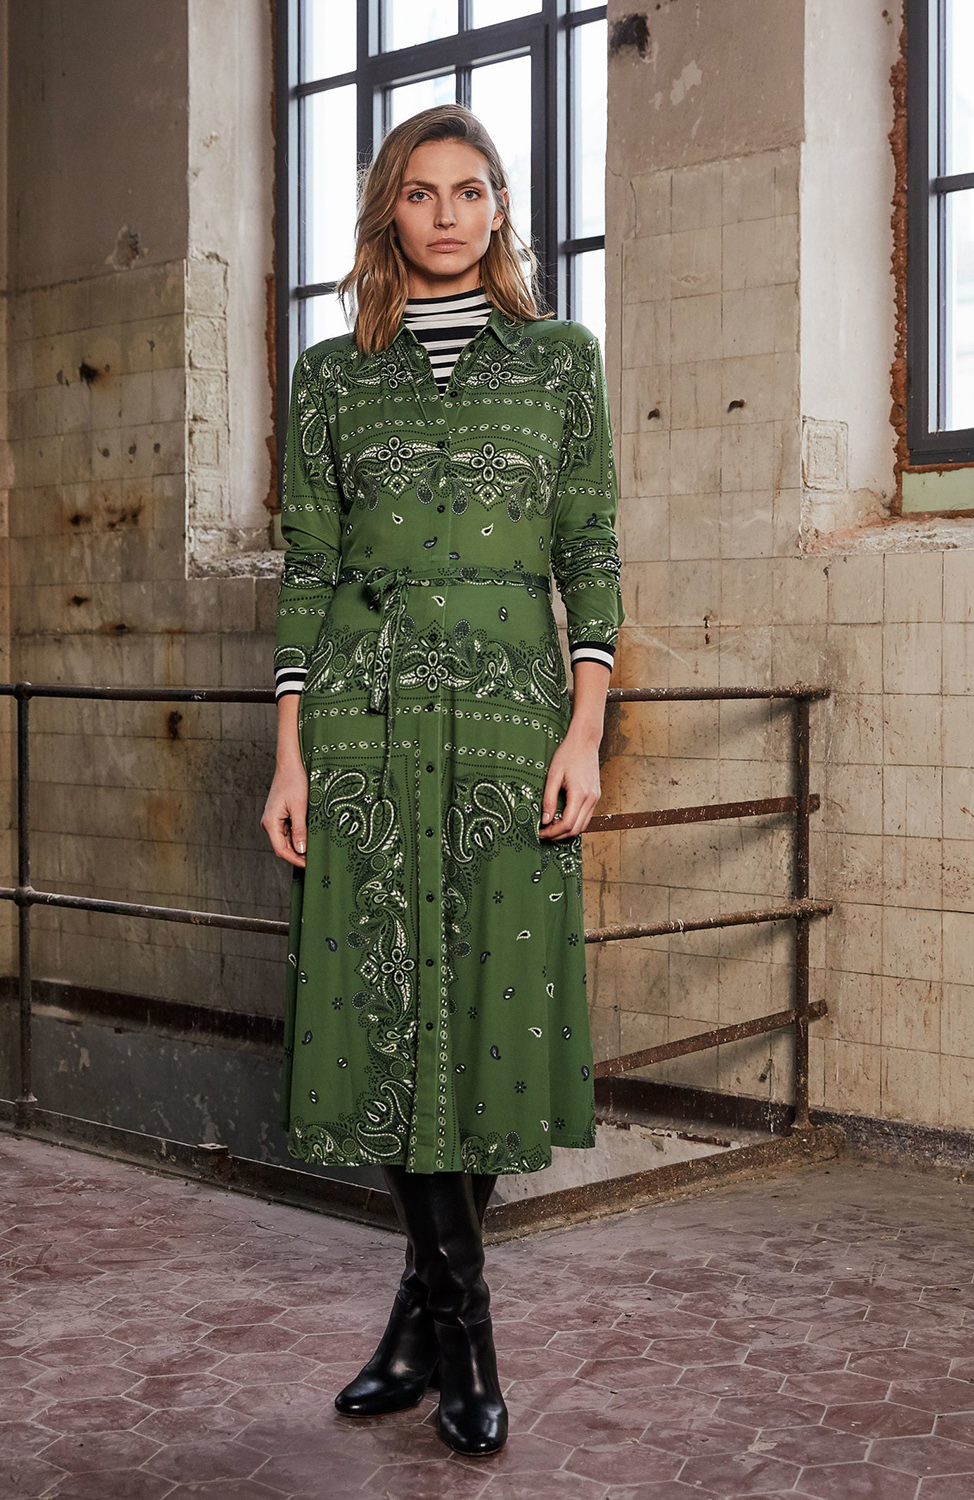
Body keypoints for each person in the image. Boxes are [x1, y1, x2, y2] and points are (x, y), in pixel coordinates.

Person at [260, 103, 625, 1457]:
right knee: (387, 1004)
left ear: (500, 209)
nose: (449, 215)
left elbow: (589, 547)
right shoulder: (332, 377)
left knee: (483, 1010)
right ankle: (464, 1335)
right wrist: (289, 753)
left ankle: (418, 1327)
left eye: (472, 191)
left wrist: (586, 732)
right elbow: (307, 567)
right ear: (387, 213)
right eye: (422, 193)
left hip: (515, 727)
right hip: (361, 723)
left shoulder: (560, 363)